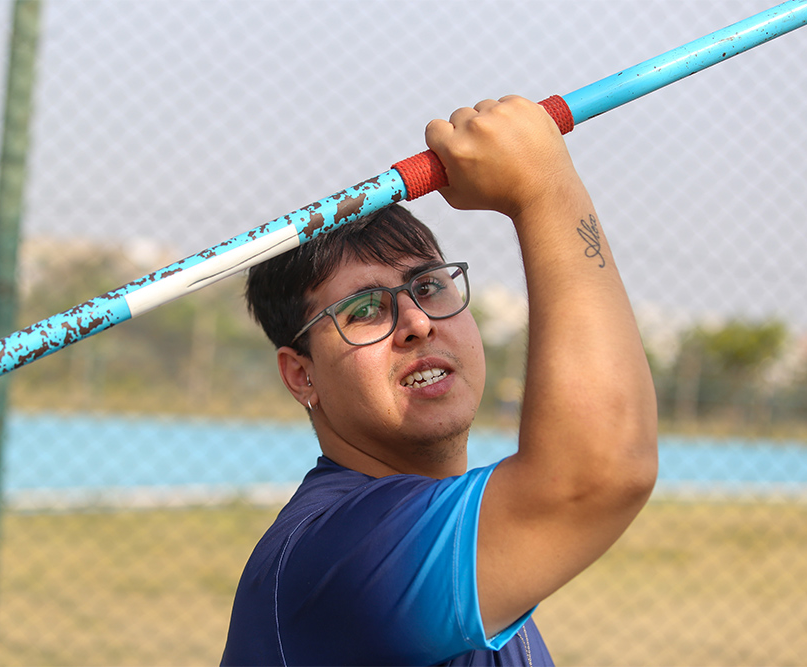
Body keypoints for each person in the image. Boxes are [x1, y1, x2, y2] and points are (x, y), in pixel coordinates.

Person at [221, 96, 658, 666]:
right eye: (364, 310)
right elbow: (597, 472)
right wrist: (544, 187)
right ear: (301, 374)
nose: (418, 323)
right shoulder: (336, 552)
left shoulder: (454, 526)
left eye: (428, 286)